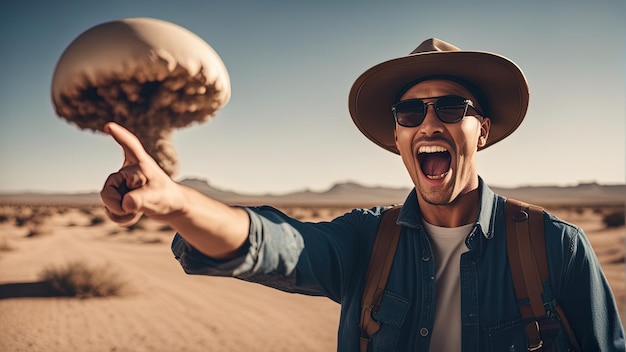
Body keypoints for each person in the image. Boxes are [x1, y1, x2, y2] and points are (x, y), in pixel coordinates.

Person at [100, 38, 625, 351]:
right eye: (408, 113)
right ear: (397, 136)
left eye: (451, 107)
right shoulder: (366, 240)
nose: (427, 123)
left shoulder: (555, 247)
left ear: (482, 130)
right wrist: (176, 202)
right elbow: (273, 245)